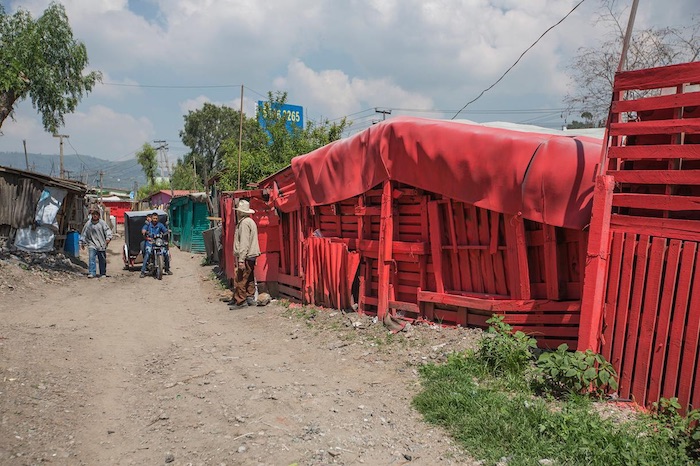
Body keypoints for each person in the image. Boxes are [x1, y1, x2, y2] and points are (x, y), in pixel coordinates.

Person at [230, 199, 260, 309]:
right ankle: (250, 297)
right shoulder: (250, 222)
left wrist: (241, 259)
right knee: (250, 277)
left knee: (241, 279)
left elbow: (244, 243)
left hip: (246, 255)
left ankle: (241, 301)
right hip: (252, 254)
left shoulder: (244, 224)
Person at [80, 208, 113, 278]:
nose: (95, 216)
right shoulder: (88, 224)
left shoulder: (102, 223)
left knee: (102, 259)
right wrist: (82, 242)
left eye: (96, 214)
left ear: (99, 215)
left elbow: (108, 231)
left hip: (101, 244)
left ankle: (103, 273)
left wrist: (108, 238)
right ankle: (92, 272)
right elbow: (84, 233)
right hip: (92, 244)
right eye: (93, 214)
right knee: (91, 258)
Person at [140, 212, 172, 277]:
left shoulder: (160, 225)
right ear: (151, 218)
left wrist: (167, 231)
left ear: (158, 219)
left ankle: (167, 269)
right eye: (154, 218)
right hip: (150, 242)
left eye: (156, 218)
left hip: (158, 242)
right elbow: (143, 229)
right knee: (148, 253)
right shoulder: (148, 225)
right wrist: (144, 231)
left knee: (165, 253)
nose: (155, 220)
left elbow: (165, 230)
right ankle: (143, 271)